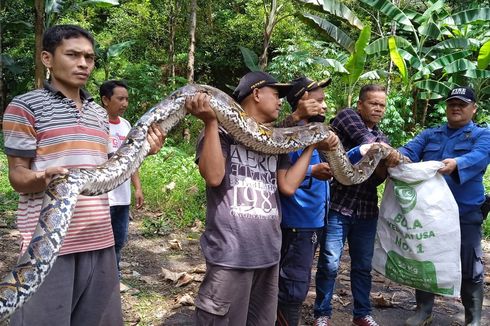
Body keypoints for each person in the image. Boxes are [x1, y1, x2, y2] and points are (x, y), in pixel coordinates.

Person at [2, 25, 164, 326]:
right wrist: (44, 178)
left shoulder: (98, 113)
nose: (83, 64)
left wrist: (144, 151)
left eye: (89, 57)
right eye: (73, 55)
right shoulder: (24, 107)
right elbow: (17, 175)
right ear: (47, 58)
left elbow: (104, 168)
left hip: (100, 237)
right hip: (48, 247)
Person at [184, 71, 338, 326]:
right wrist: (210, 124)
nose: (280, 101)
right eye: (276, 94)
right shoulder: (222, 131)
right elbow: (213, 177)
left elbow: (287, 186)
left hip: (268, 254)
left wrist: (312, 143)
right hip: (231, 254)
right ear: (256, 94)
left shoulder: (275, 140)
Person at [396, 87, 490, 326]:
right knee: (424, 258)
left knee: (470, 265)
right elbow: (407, 151)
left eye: (462, 104)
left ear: (474, 108)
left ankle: (473, 318)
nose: (456, 108)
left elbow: (480, 156)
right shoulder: (431, 134)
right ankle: (423, 311)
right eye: (452, 104)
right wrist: (394, 156)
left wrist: (457, 163)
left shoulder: (482, 135)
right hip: (428, 212)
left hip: (465, 211)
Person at [313, 84, 398, 326]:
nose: (378, 109)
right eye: (373, 103)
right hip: (338, 206)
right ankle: (322, 314)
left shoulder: (383, 139)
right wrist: (384, 152)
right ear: (360, 104)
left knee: (362, 266)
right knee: (329, 263)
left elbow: (378, 178)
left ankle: (362, 314)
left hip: (367, 210)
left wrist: (385, 162)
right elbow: (365, 141)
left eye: (382, 105)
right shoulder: (347, 116)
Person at [276, 76, 335, 326]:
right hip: (296, 224)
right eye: (319, 101)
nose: (324, 106)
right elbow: (280, 169)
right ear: (303, 102)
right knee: (293, 286)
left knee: (296, 282)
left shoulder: (318, 134)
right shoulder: (290, 134)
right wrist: (313, 171)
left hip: (314, 221)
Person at [99, 80, 143, 278]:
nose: (125, 103)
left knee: (118, 241)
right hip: (101, 197)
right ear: (105, 100)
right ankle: (100, 280)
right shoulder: (97, 124)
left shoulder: (126, 125)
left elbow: (132, 159)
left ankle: (112, 278)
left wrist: (138, 188)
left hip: (122, 197)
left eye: (127, 99)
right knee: (99, 242)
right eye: (120, 98)